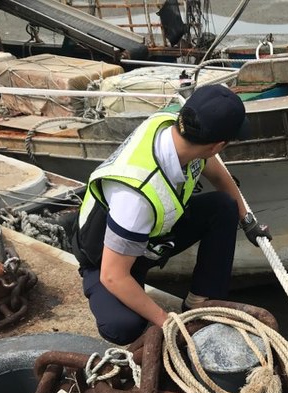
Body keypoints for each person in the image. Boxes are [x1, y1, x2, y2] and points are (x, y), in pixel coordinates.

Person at [71, 84, 271, 345]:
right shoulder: (136, 197)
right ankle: (107, 290)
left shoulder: (172, 128)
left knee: (224, 206)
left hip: (152, 239)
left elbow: (217, 173)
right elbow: (113, 275)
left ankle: (200, 301)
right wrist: (168, 321)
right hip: (106, 256)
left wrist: (247, 220)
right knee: (123, 327)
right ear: (217, 145)